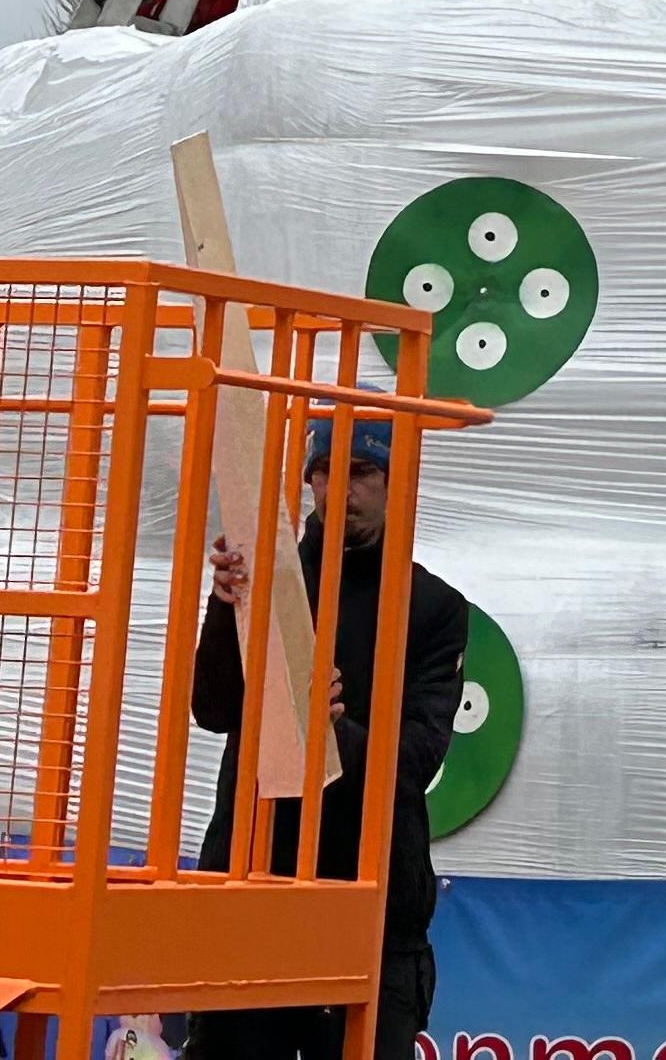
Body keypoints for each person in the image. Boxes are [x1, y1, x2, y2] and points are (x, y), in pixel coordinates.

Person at [186, 419, 466, 1060]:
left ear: (395, 484)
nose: (339, 489)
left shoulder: (432, 607)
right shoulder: (263, 572)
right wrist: (225, 605)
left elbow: (416, 763)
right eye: (324, 471)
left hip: (369, 905)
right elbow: (212, 709)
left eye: (361, 472)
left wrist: (329, 728)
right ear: (309, 479)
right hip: (253, 882)